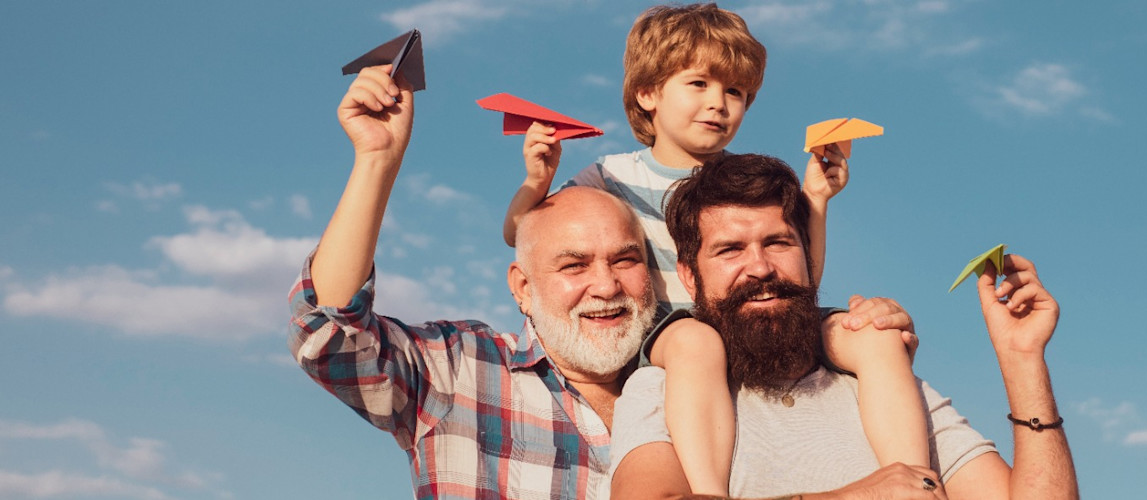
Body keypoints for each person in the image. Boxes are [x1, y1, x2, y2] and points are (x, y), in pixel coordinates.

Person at [499, 4, 928, 495]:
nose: (719, 103)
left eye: (735, 92)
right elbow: (522, 233)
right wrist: (538, 182)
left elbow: (795, 280)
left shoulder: (746, 180)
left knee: (874, 334)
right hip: (673, 329)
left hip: (757, 319)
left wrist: (817, 201)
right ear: (647, 93)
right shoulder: (610, 176)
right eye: (699, 84)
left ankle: (917, 480)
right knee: (697, 343)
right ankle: (710, 490)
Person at [609, 154, 1080, 499]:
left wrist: (1023, 360)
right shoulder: (662, 390)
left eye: (778, 242)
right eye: (730, 250)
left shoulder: (880, 379)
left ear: (808, 257)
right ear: (690, 276)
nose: (759, 267)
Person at [288, 64, 655, 499]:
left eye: (626, 259)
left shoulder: (684, 390)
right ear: (522, 288)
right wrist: (376, 159)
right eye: (574, 266)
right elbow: (329, 334)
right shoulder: (458, 370)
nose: (606, 285)